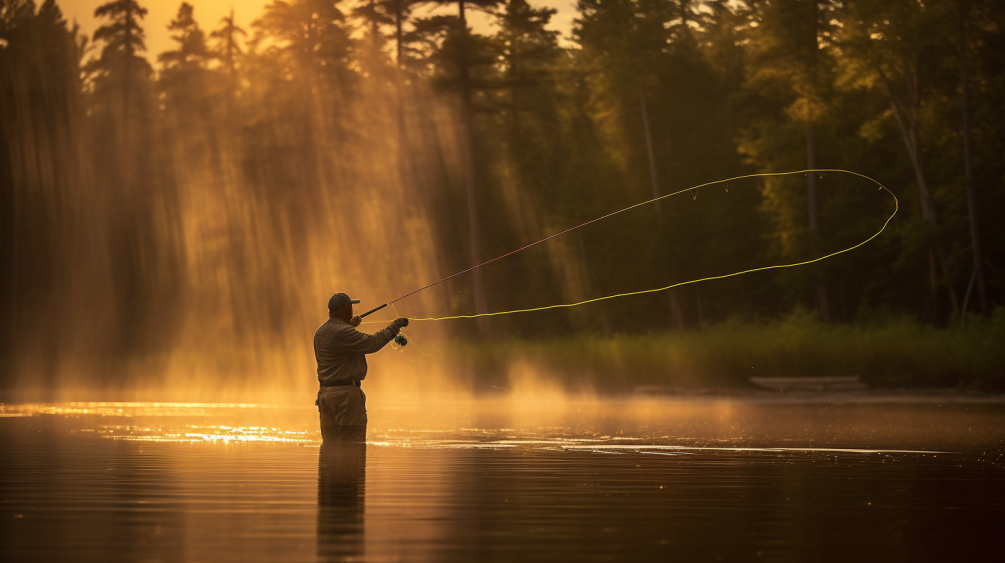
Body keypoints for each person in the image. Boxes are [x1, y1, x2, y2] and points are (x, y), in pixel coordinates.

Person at [314, 292, 408, 443]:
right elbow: (372, 343)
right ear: (346, 308)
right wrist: (393, 328)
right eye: (350, 306)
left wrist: (350, 326)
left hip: (325, 396)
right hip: (346, 397)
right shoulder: (344, 332)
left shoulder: (320, 332)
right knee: (353, 447)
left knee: (330, 447)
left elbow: (338, 342)